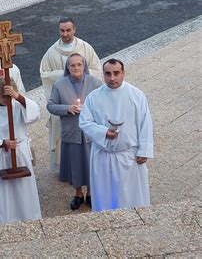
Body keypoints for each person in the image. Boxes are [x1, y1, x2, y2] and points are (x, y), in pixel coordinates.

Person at [79, 59, 153, 212]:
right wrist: (104, 132)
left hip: (129, 156)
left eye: (116, 73)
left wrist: (144, 151)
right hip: (103, 156)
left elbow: (145, 124)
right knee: (105, 197)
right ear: (103, 75)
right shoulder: (94, 97)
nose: (112, 78)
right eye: (108, 74)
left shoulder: (136, 95)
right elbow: (84, 122)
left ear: (123, 73)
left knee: (131, 198)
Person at [39, 17, 102, 173]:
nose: (65, 33)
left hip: (85, 97)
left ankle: (88, 167)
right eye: (62, 30)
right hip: (64, 100)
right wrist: (64, 76)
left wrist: (81, 74)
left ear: (74, 29)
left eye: (68, 30)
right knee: (62, 135)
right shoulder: (52, 52)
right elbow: (44, 73)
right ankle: (64, 169)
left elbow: (96, 70)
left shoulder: (85, 48)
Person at [0, 78, 41, 225]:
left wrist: (17, 96)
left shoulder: (18, 105)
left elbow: (35, 113)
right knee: (5, 192)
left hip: (20, 153)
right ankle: (6, 220)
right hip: (1, 157)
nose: (7, 100)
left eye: (9, 96)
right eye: (3, 97)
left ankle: (28, 217)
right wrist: (1, 143)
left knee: (24, 189)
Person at [47, 53, 101, 210]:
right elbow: (50, 105)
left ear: (84, 66)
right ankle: (78, 193)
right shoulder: (59, 85)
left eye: (79, 64)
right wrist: (67, 108)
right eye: (72, 65)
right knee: (75, 165)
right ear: (67, 67)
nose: (76, 67)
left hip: (91, 133)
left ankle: (90, 193)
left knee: (91, 164)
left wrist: (89, 109)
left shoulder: (95, 82)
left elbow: (103, 104)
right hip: (71, 131)